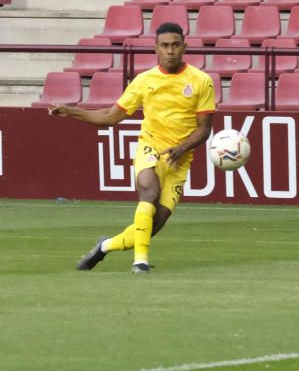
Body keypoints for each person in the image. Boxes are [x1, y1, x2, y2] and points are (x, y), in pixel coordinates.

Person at [48, 22, 215, 274]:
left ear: (185, 47)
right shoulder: (144, 81)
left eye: (175, 45)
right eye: (165, 46)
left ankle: (104, 246)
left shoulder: (201, 81)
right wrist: (70, 111)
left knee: (151, 226)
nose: (170, 51)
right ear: (156, 49)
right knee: (149, 190)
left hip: (179, 161)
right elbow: (109, 116)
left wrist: (181, 148)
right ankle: (140, 262)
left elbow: (204, 129)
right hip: (151, 147)